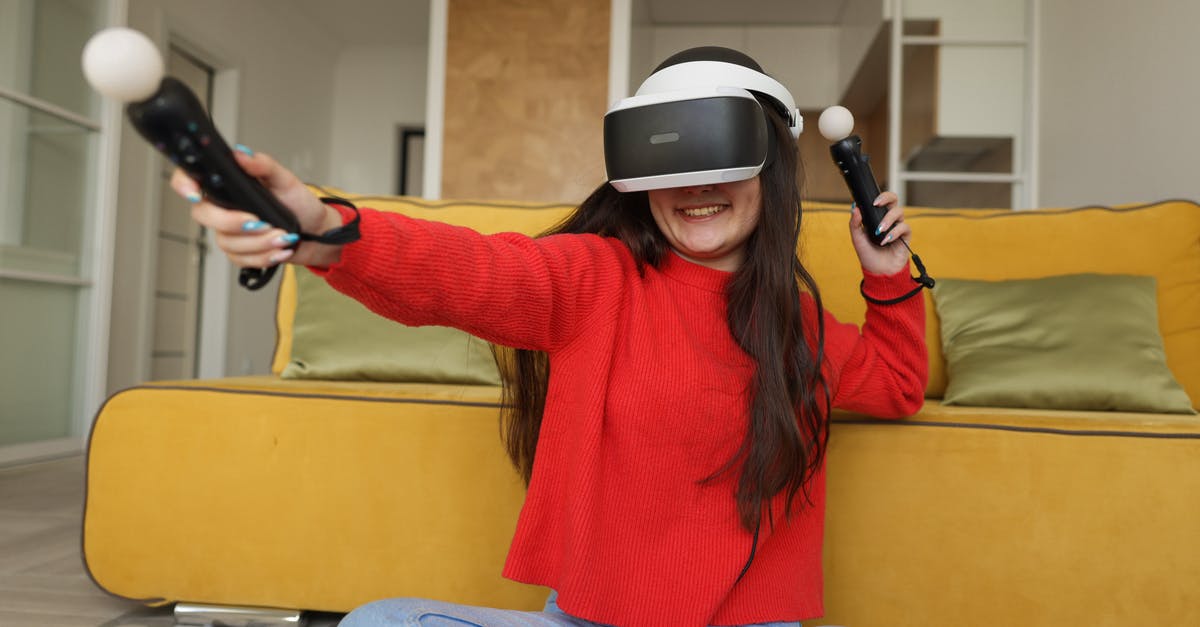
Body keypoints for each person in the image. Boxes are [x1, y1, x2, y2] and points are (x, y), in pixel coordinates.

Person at [172, 47, 927, 627]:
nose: (694, 184)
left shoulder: (798, 328)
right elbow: (468, 269)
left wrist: (888, 274)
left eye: (717, 154)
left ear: (772, 170)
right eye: (671, 160)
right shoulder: (595, 279)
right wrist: (322, 230)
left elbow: (897, 384)